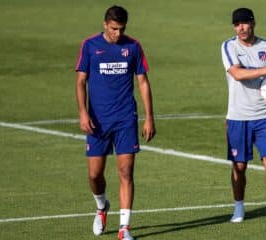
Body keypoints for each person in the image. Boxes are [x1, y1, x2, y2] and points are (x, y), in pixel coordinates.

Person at [75, 5, 155, 240]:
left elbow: (142, 82)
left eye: (121, 29)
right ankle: (101, 207)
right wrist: (82, 113)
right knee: (94, 175)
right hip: (97, 122)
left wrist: (149, 116)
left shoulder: (133, 46)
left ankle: (124, 229)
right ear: (105, 24)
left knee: (126, 171)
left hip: (125, 119)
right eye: (113, 29)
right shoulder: (90, 46)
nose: (117, 34)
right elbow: (81, 81)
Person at [221, 7, 266, 225]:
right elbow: (237, 73)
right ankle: (238, 207)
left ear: (253, 23)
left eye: (244, 23)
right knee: (239, 166)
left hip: (265, 116)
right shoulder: (229, 46)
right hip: (238, 116)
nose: (241, 28)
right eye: (237, 25)